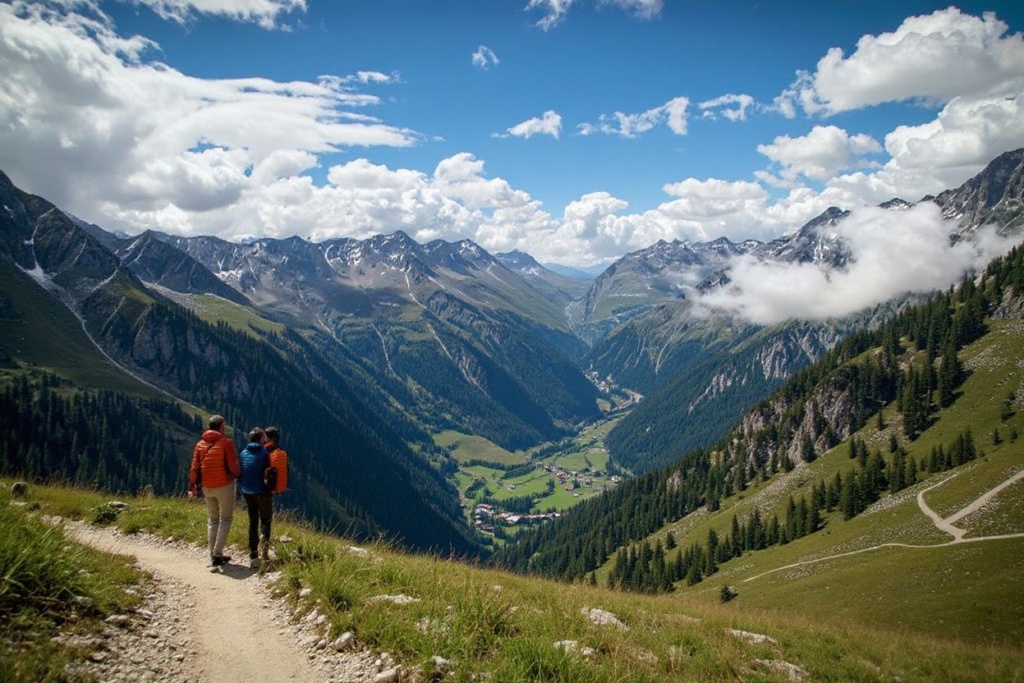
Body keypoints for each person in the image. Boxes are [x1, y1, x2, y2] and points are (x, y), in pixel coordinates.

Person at [188, 415, 240, 567]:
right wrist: (237, 474)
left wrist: (193, 485)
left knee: (213, 519)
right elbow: (232, 466)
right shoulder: (226, 443)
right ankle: (217, 553)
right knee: (225, 518)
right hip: (224, 485)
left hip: (206, 486)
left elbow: (194, 465)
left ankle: (212, 552)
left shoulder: (200, 444)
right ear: (221, 426)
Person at [238, 427, 271, 569]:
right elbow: (268, 474)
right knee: (266, 520)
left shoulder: (243, 453)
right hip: (261, 491)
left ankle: (253, 554)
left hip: (247, 491)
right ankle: (264, 550)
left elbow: (240, 471)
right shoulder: (264, 453)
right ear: (261, 438)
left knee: (253, 521)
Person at [260, 425, 288, 564]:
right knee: (266, 521)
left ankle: (254, 551)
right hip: (268, 490)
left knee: (255, 519)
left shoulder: (261, 451)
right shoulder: (279, 453)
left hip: (253, 489)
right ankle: (263, 551)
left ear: (267, 437)